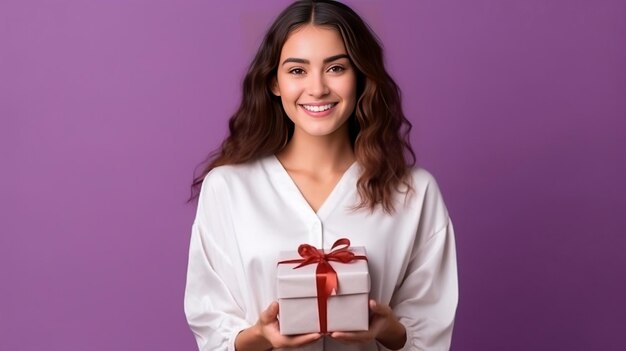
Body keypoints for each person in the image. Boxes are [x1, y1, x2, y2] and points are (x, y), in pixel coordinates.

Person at [184, 1, 458, 350]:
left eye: (336, 68)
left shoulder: (414, 192)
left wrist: (388, 329)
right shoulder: (228, 188)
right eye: (297, 70)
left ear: (360, 76)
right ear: (274, 82)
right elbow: (211, 324)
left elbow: (430, 329)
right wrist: (259, 335)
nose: (317, 89)